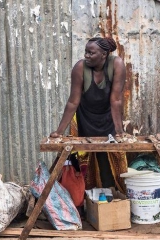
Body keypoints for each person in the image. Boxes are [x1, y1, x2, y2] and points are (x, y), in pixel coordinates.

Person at [50, 36, 128, 192]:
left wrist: (120, 132)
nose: (86, 56)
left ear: (104, 55)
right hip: (85, 116)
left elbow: (116, 100)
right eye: (86, 52)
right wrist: (58, 132)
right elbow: (73, 102)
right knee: (84, 156)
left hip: (109, 116)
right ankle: (85, 197)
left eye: (91, 53)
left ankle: (113, 194)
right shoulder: (80, 68)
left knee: (112, 155)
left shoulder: (116, 64)